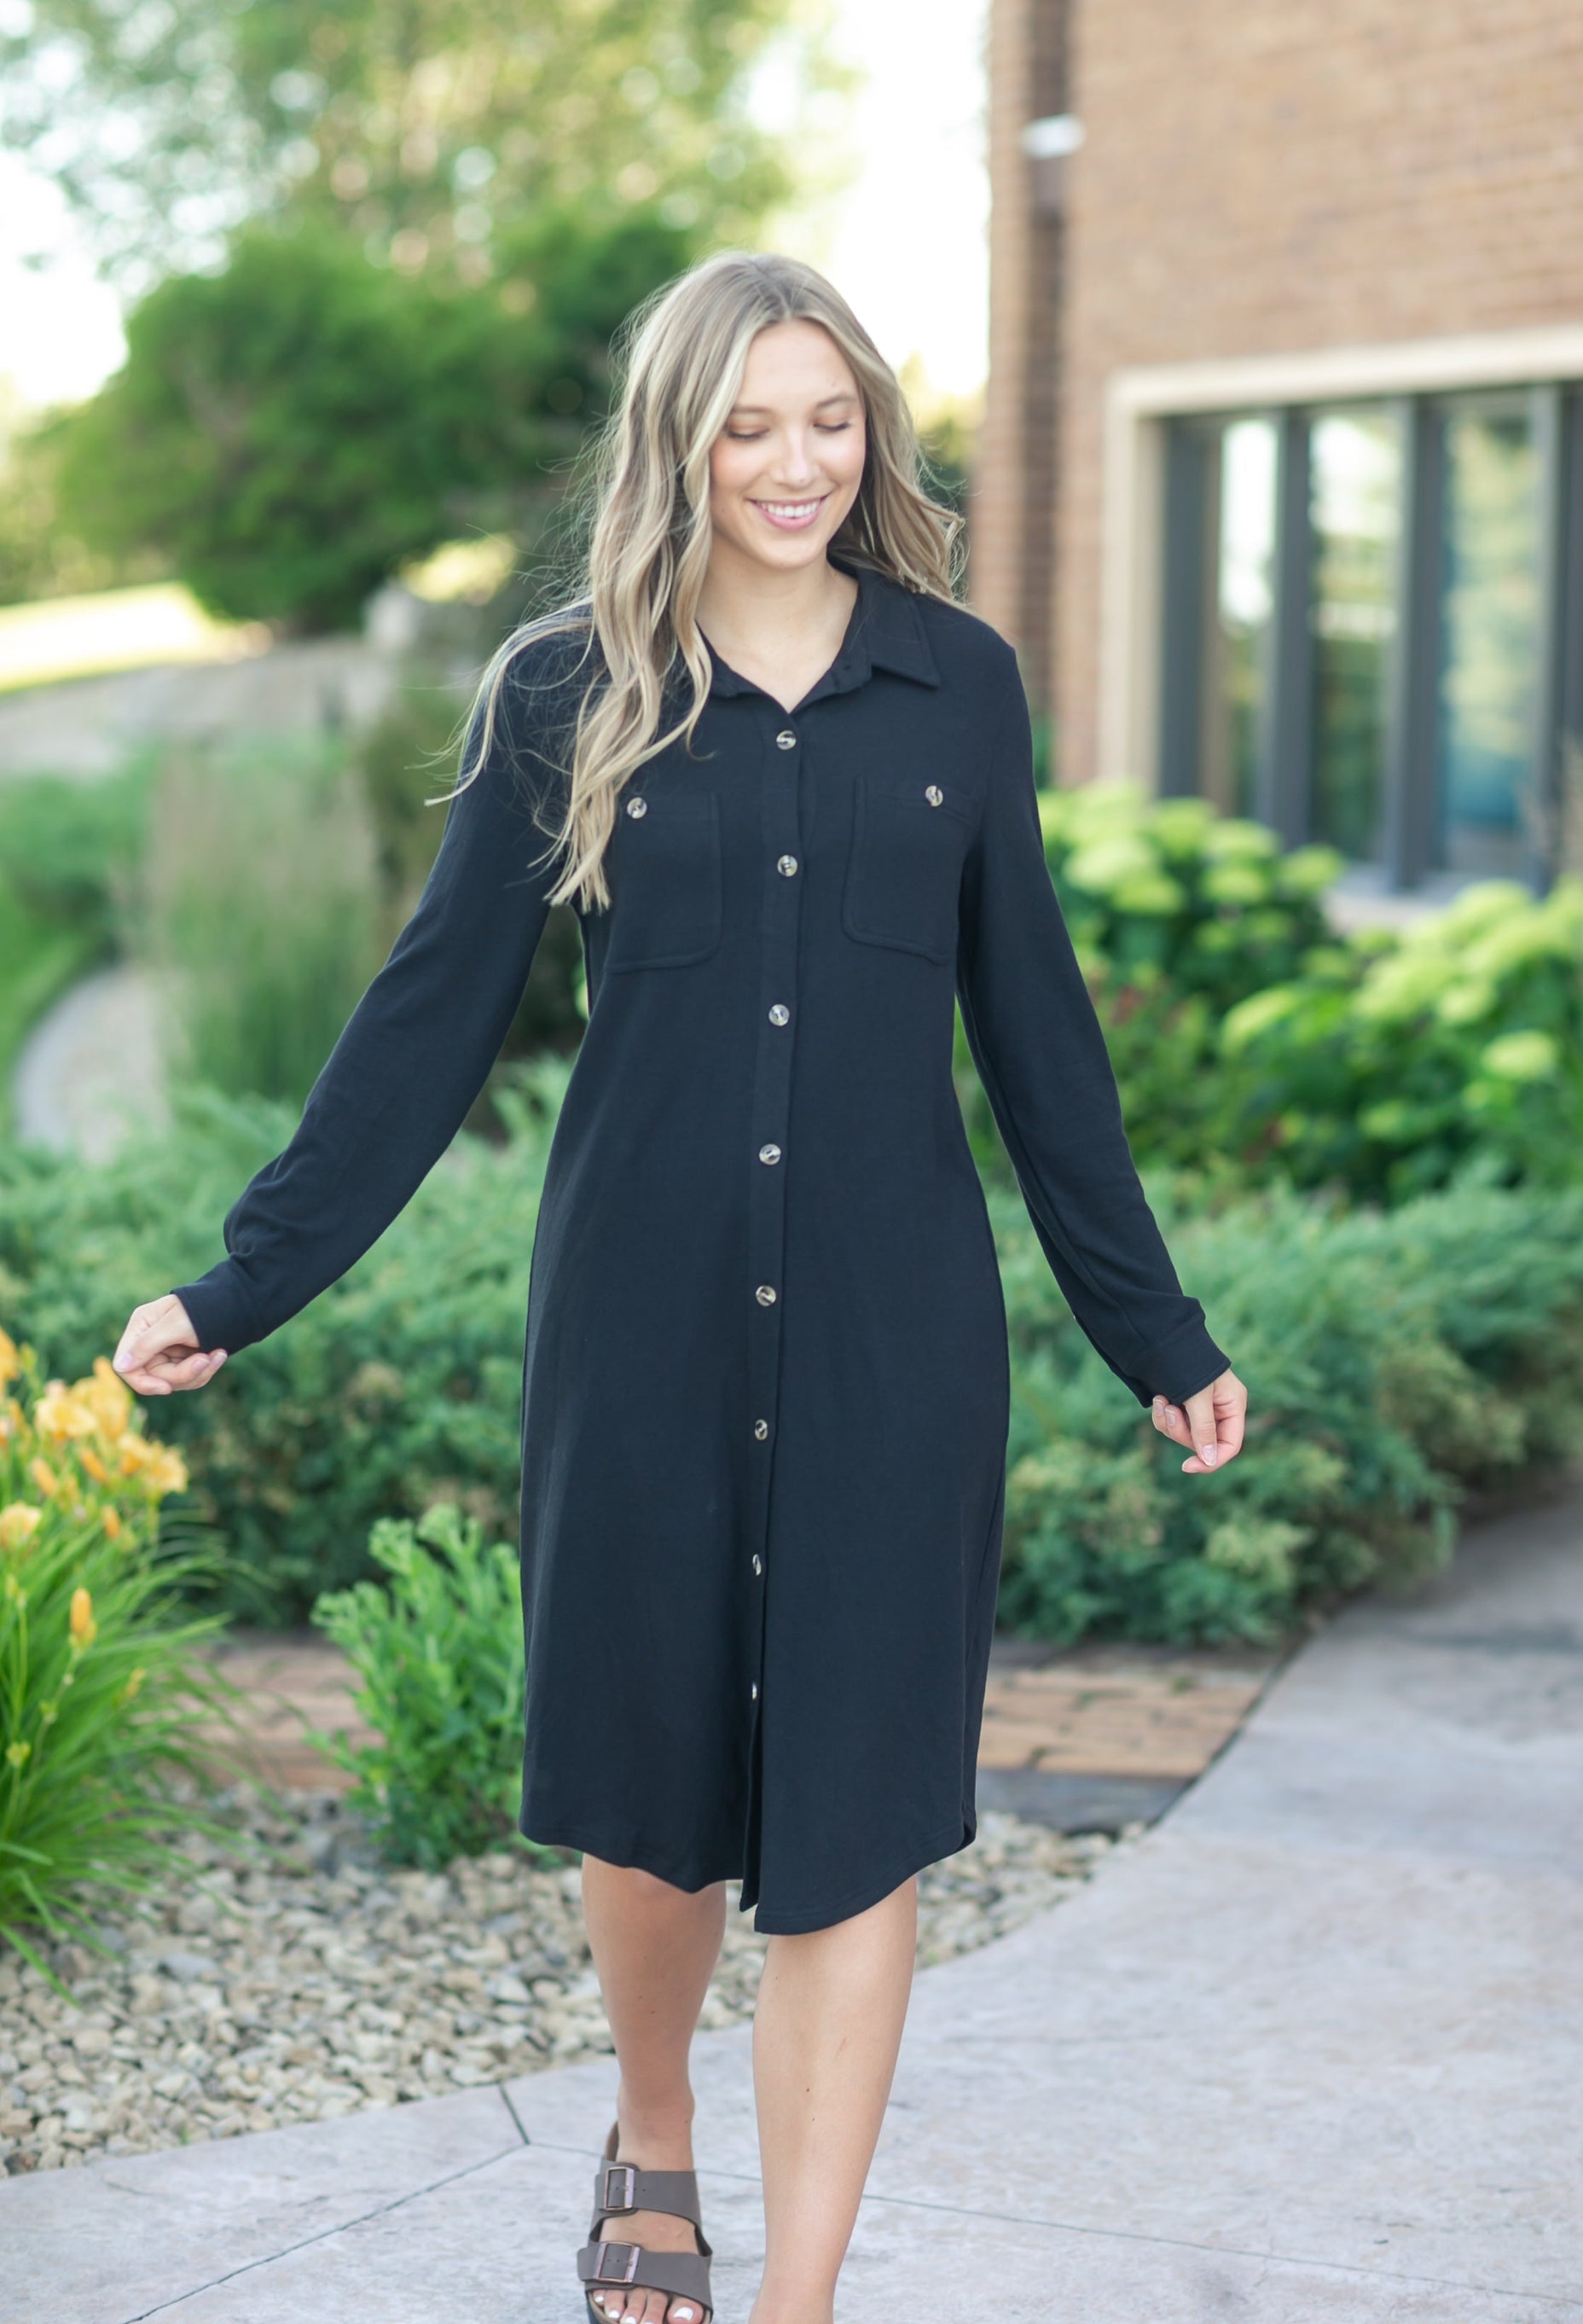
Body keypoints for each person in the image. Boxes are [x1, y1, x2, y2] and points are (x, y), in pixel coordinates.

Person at [113, 250, 1248, 2324]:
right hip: (638, 1323)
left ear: (872, 435)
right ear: (678, 444)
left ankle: (796, 2300)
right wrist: (245, 1280)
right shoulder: (566, 692)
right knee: (646, 1804)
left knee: (858, 1821)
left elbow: (1037, 1029)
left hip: (897, 1344)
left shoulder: (958, 686)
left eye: (830, 420)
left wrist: (1150, 1328)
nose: (795, 464)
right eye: (748, 426)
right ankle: (655, 2133)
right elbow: (430, 1016)